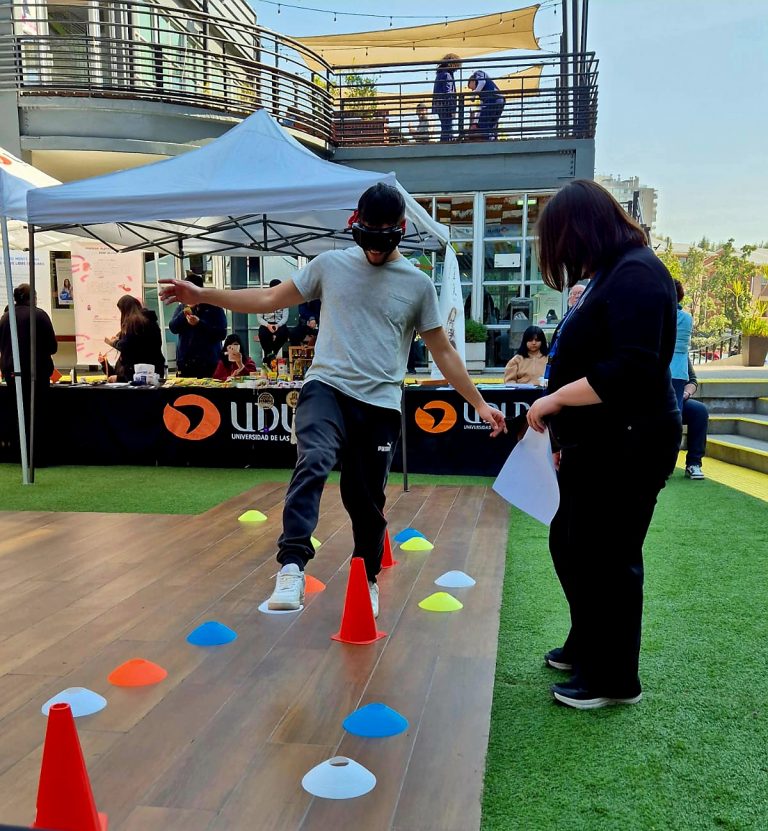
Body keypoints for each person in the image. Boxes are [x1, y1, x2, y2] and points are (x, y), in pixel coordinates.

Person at [160, 183, 506, 617]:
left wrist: (478, 403)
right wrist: (203, 294)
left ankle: (367, 577)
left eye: (384, 240)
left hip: (379, 404)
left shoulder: (418, 285)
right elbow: (268, 298)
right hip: (326, 388)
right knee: (314, 460)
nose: (374, 250)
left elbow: (443, 351)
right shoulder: (330, 265)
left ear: (400, 230)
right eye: (367, 238)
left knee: (365, 499)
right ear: (355, 226)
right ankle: (291, 566)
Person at [526, 179, 680, 710]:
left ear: (583, 232)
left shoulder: (637, 273)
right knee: (570, 543)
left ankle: (615, 678)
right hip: (600, 441)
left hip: (632, 442)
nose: (564, 259)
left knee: (609, 557)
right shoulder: (611, 274)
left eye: (563, 244)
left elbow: (630, 369)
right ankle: (588, 642)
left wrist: (553, 401)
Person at [0, 284, 58, 465]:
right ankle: (37, 456)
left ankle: (18, 454)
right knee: (37, 414)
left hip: (12, 373)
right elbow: (52, 347)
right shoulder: (39, 315)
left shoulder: (5, 318)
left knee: (18, 413)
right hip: (36, 373)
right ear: (33, 297)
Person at [168, 270, 227, 378]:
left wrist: (199, 323)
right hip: (186, 362)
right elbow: (173, 328)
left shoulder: (214, 308)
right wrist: (186, 311)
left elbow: (221, 333)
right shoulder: (182, 307)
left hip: (208, 363)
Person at [105, 295, 165, 382]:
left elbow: (127, 346)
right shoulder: (150, 321)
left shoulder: (134, 322)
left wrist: (114, 342)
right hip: (155, 368)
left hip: (141, 371)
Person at [670, 279, 693, 412]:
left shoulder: (661, 315)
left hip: (662, 366)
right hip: (680, 370)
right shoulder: (688, 318)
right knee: (676, 409)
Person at [682, 358, 707, 480]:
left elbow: (692, 381)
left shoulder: (680, 353)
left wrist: (686, 393)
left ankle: (694, 463)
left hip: (676, 400)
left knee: (699, 411)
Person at [256, 280, 290, 365]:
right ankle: (268, 354)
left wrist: (278, 325)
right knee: (262, 334)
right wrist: (267, 325)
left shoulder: (284, 301)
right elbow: (259, 318)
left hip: (279, 324)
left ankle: (274, 352)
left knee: (284, 333)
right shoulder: (263, 301)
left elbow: (285, 317)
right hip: (267, 324)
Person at [467, 70, 505, 140]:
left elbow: (482, 82)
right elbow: (481, 107)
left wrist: (473, 94)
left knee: (483, 124)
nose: (472, 90)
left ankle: (487, 140)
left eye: (471, 88)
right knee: (492, 124)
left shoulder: (477, 73)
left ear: (472, 81)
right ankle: (492, 140)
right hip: (500, 100)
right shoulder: (481, 91)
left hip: (492, 99)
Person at [432, 54, 460, 142]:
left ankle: (445, 141)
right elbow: (448, 92)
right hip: (445, 105)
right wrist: (452, 109)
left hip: (439, 104)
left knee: (445, 126)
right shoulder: (447, 75)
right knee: (447, 126)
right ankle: (446, 142)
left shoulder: (440, 73)